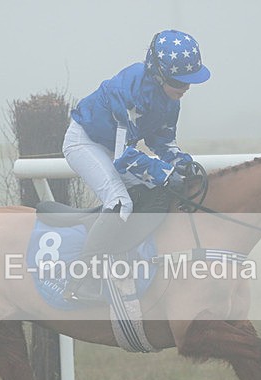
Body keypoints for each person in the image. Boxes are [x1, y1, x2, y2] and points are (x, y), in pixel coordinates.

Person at [62, 29, 211, 301]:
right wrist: (165, 173)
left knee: (158, 193)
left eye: (189, 81)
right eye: (179, 81)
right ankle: (81, 281)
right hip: (85, 142)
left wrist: (184, 165)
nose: (186, 87)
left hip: (112, 147)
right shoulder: (130, 90)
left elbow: (163, 142)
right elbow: (123, 158)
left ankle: (120, 256)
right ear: (159, 74)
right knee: (120, 202)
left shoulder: (170, 101)